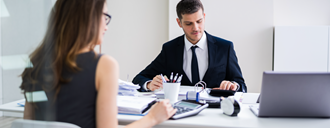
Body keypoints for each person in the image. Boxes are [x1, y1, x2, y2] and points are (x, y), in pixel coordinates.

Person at [20, 0, 176, 128]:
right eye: (105, 16)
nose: (107, 26)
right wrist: (153, 118)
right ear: (89, 18)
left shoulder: (36, 61)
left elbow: (28, 124)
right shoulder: (103, 65)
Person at [133, 0, 247, 93]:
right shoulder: (170, 49)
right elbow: (138, 79)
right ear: (179, 23)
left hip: (216, 113)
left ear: (204, 17)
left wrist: (233, 86)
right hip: (182, 113)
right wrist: (149, 84)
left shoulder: (225, 47)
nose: (196, 28)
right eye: (189, 24)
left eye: (199, 21)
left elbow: (242, 85)